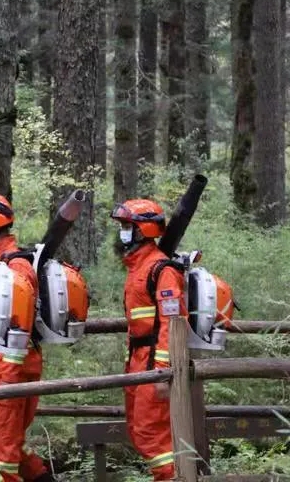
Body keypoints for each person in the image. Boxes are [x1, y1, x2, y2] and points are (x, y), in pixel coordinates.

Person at [0, 193, 54, 482]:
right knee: (12, 443)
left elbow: (19, 327)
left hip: (9, 369)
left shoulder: (14, 266)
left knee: (1, 451)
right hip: (5, 365)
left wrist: (4, 378)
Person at [112, 199, 185, 481]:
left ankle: (174, 477)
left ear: (143, 230)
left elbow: (172, 323)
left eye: (127, 226)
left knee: (151, 433)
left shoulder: (161, 270)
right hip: (138, 360)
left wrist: (162, 372)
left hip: (154, 361)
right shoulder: (137, 267)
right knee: (139, 429)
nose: (122, 232)